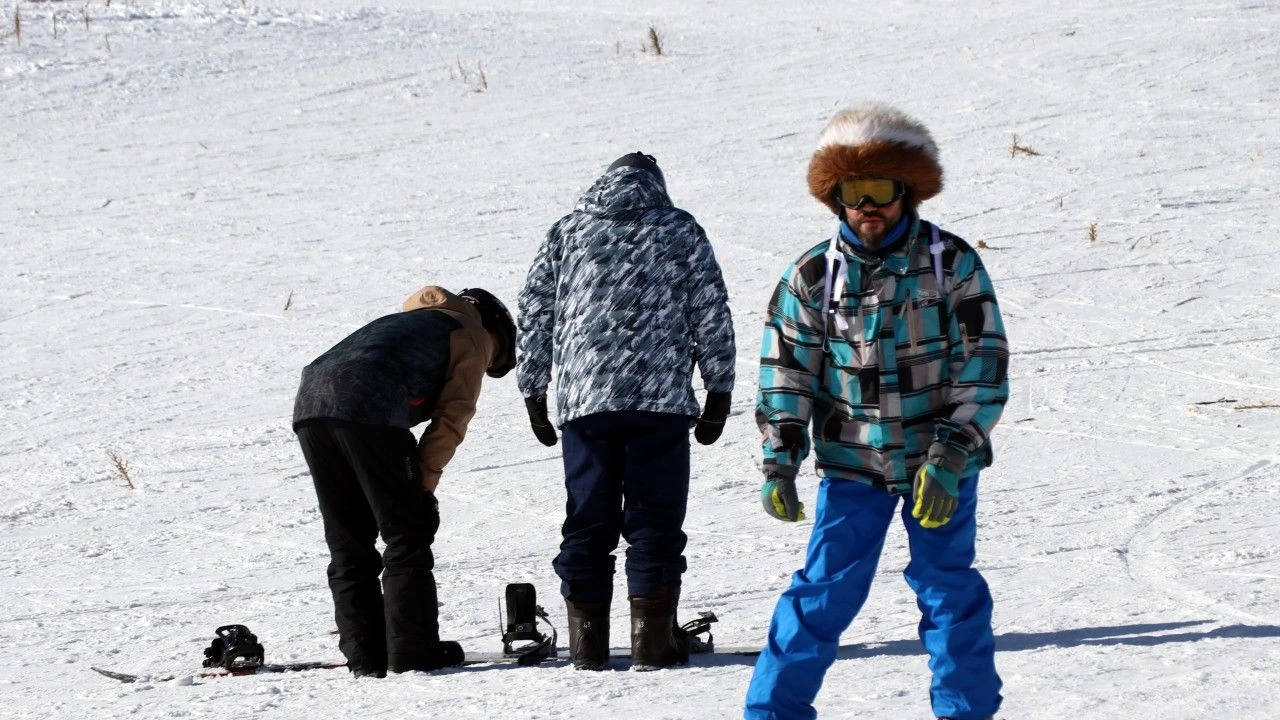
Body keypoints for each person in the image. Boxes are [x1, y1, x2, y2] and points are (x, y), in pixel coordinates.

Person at [743, 105, 1009, 720]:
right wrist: (779, 459)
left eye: (882, 190)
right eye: (854, 192)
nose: (869, 207)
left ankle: (965, 713)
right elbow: (786, 371)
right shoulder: (813, 276)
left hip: (937, 466)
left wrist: (952, 453)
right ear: (836, 199)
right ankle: (772, 714)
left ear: (906, 192)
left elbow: (984, 364)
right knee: (821, 595)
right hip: (852, 465)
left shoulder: (951, 264)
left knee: (949, 593)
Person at [516, 152, 736, 671]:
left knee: (587, 520)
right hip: (659, 402)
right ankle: (652, 644)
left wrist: (534, 391)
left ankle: (587, 647)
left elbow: (534, 311)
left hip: (585, 403)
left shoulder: (567, 232)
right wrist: (719, 391)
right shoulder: (679, 228)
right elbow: (711, 308)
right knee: (654, 519)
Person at [292, 285, 517, 678]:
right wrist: (421, 489)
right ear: (494, 327)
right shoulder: (472, 331)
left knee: (349, 540)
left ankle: (366, 657)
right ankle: (412, 653)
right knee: (407, 532)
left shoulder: (409, 321)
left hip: (311, 406)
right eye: (496, 356)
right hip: (370, 404)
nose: (488, 362)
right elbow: (452, 418)